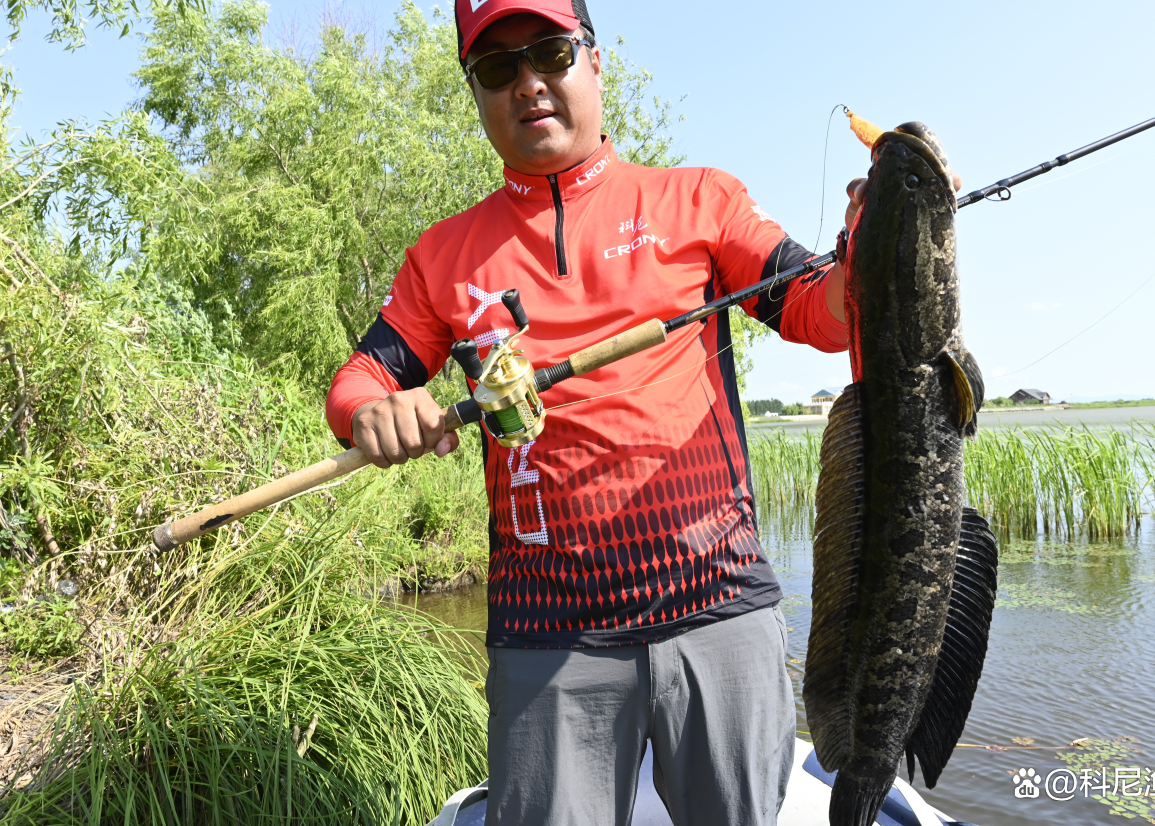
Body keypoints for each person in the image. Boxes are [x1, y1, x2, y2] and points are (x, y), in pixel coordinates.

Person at [325, 2, 868, 823]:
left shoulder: (703, 201)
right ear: (476, 89)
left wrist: (876, 245)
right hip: (547, 639)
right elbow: (358, 381)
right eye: (497, 68)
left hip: (717, 611)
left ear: (596, 61)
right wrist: (375, 411)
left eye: (549, 52)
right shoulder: (442, 256)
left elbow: (820, 312)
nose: (529, 83)